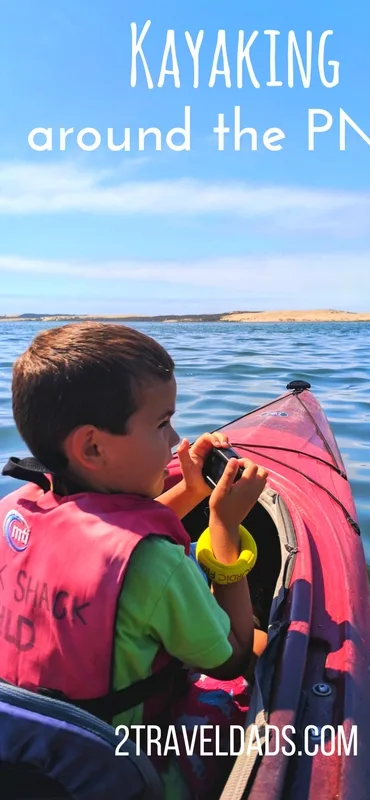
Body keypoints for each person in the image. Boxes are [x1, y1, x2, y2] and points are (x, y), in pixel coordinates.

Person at [0, 321, 268, 799]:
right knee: (267, 647)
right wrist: (223, 525)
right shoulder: (157, 565)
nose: (174, 440)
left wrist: (189, 490)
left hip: (31, 757)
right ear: (92, 447)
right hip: (130, 774)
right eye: (163, 423)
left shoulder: (16, 513)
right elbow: (232, 659)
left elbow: (101, 544)